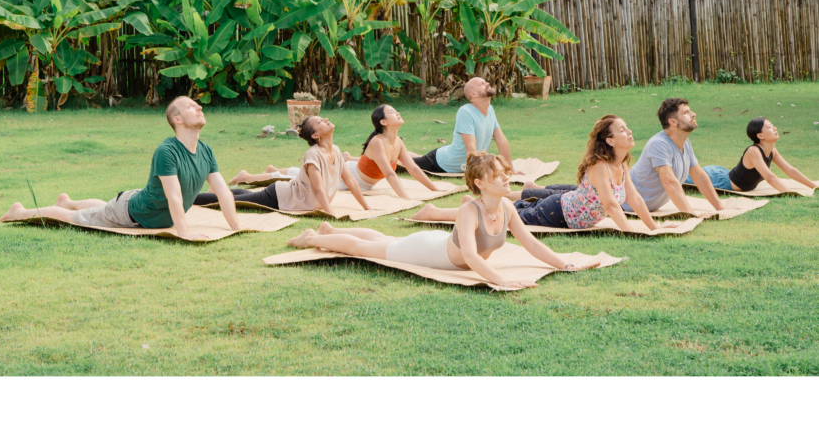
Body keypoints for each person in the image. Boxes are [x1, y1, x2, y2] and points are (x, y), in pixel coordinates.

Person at [285, 152, 598, 289]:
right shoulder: (469, 210)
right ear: (480, 184)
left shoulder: (506, 207)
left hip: (437, 246)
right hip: (426, 251)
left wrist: (564, 264)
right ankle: (313, 238)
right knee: (364, 249)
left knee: (385, 239)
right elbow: (471, 257)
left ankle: (329, 230)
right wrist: (501, 280)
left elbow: (531, 244)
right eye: (499, 175)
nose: (507, 178)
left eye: (506, 173)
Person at [0, 96, 240, 240]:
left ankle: (67, 200)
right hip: (131, 213)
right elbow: (174, 197)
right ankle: (20, 212)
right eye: (191, 106)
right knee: (75, 219)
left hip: (137, 203)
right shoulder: (166, 151)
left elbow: (223, 192)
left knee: (105, 209)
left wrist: (237, 228)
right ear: (177, 119)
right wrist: (185, 234)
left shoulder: (206, 151)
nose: (199, 108)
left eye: (198, 105)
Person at [413, 116, 679, 233]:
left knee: (508, 209)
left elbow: (635, 199)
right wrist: (631, 231)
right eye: (622, 130)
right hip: (557, 213)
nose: (629, 132)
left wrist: (654, 227)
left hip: (562, 209)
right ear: (609, 141)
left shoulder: (620, 166)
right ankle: (435, 212)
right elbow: (610, 204)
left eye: (627, 128)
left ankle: (474, 204)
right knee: (500, 217)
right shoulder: (600, 166)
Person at [236, 105, 450, 200]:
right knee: (299, 178)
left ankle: (273, 169)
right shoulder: (377, 142)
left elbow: (413, 168)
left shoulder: (398, 142)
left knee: (296, 173)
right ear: (383, 122)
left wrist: (435, 188)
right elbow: (390, 174)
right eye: (393, 112)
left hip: (355, 174)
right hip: (348, 177)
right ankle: (248, 176)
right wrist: (406, 198)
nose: (399, 113)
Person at [196, 116, 370, 216]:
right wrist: (330, 213)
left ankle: (214, 190)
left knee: (246, 195)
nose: (325, 119)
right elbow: (318, 189)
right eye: (320, 122)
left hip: (287, 193)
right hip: (281, 196)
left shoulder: (336, 151)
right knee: (234, 200)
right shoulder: (313, 155)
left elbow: (351, 181)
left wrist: (367, 207)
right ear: (315, 135)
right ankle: (190, 199)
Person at [408, 77, 538, 185]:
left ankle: (403, 152)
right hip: (442, 162)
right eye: (482, 84)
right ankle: (398, 151)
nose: (487, 84)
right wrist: (483, 175)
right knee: (409, 162)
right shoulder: (465, 112)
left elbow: (501, 141)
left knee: (416, 158)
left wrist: (510, 169)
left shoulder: (490, 109)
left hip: (449, 154)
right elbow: (471, 149)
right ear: (473, 94)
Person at [622, 97, 724, 217]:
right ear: (673, 122)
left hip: (644, 206)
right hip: (624, 203)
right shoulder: (659, 144)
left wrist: (721, 209)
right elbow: (669, 182)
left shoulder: (685, 143)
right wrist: (691, 215)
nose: (693, 114)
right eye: (686, 112)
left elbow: (700, 178)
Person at [683, 117, 819, 193]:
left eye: (773, 125)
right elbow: (770, 178)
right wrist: (789, 193)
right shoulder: (753, 151)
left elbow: (791, 170)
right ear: (760, 136)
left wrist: (813, 185)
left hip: (723, 173)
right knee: (681, 177)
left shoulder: (772, 151)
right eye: (770, 127)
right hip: (719, 180)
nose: (775, 128)